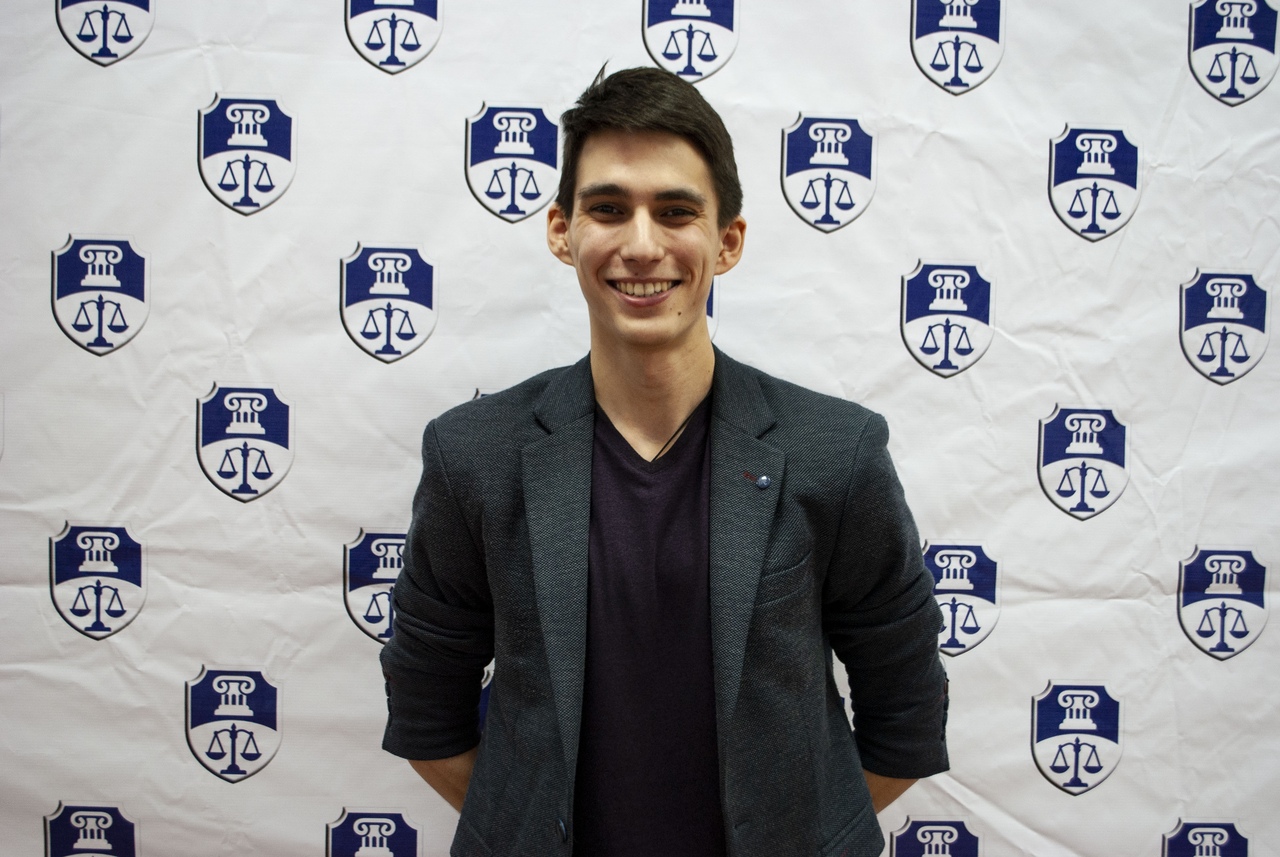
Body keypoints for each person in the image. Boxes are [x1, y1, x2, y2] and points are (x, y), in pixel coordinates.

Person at [380, 67, 948, 857]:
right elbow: (426, 713)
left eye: (676, 212)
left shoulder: (836, 452)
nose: (642, 244)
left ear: (728, 240)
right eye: (609, 208)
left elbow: (907, 713)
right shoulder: (473, 455)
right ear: (561, 231)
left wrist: (795, 834)